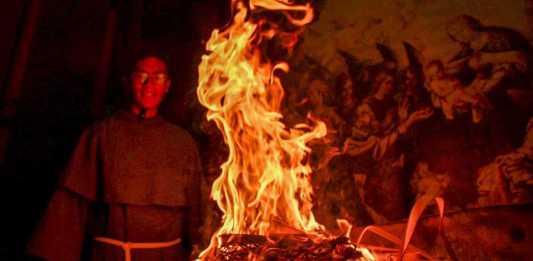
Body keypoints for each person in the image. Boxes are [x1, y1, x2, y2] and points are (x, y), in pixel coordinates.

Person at [27, 53, 203, 260]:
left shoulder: (183, 142)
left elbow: (196, 213)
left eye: (158, 77)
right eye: (142, 76)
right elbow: (71, 208)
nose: (149, 85)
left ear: (168, 85)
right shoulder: (100, 134)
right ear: (128, 82)